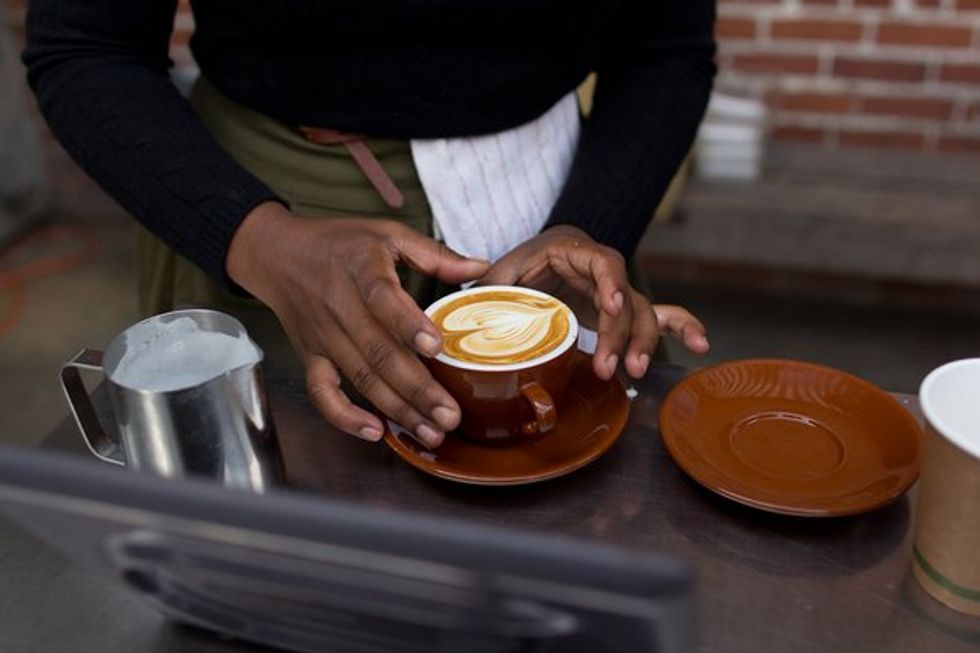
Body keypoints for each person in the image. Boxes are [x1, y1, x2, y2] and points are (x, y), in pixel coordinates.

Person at [24, 0, 717, 448]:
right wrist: (261, 242)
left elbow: (666, 44)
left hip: (562, 195)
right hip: (269, 218)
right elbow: (82, 43)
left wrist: (594, 222)